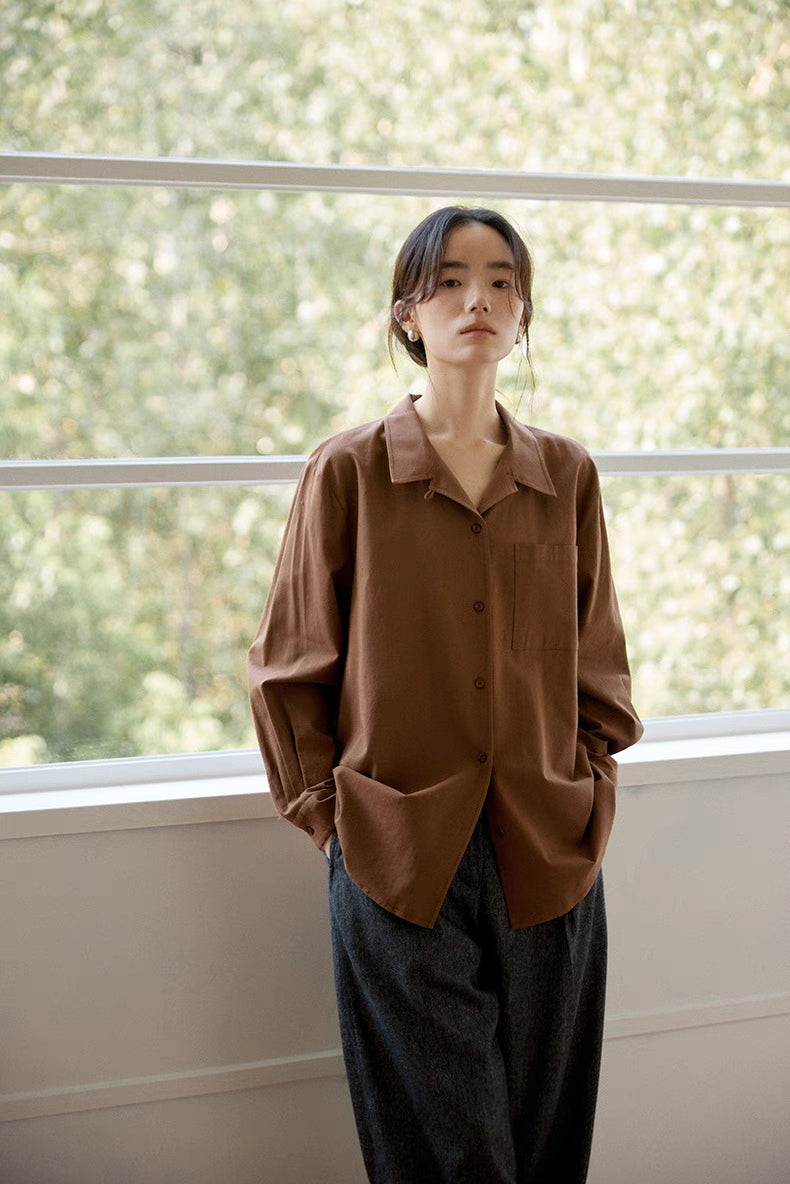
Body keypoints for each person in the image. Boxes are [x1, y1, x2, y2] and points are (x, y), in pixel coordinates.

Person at [248, 206, 643, 1184]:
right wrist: (332, 822)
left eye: (502, 280)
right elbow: (288, 668)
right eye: (451, 279)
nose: (479, 298)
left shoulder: (566, 476)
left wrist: (583, 790)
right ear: (407, 314)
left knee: (546, 1143)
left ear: (523, 314)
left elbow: (599, 665)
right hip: (396, 856)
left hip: (548, 855)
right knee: (447, 1154)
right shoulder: (347, 471)